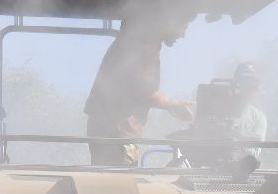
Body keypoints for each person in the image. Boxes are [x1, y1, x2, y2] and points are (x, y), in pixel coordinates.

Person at [83, 10, 195, 166]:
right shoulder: (143, 43)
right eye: (184, 26)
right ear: (171, 22)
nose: (182, 34)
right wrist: (172, 103)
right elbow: (141, 88)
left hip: (109, 127)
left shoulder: (136, 39)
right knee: (119, 183)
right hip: (117, 130)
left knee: (107, 179)